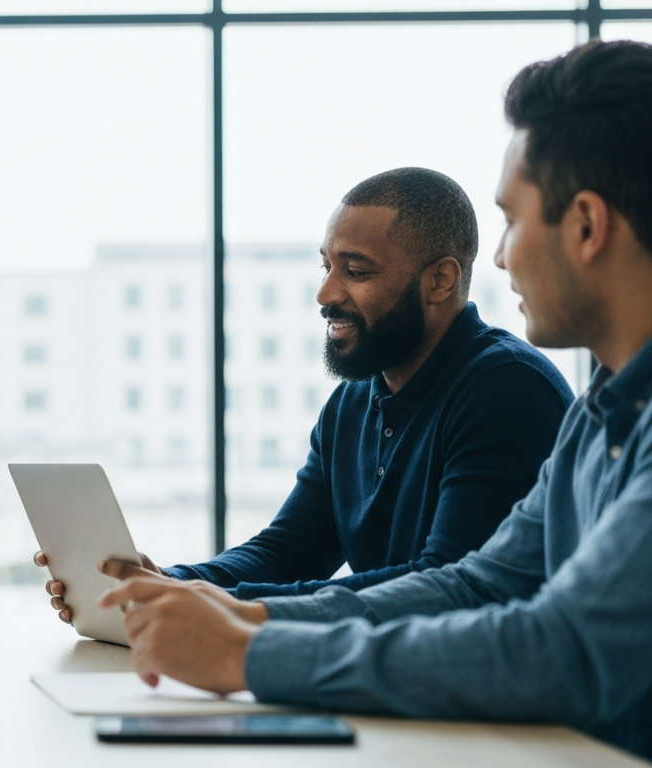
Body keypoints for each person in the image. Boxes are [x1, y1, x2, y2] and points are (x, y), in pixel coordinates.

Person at [95, 39, 652, 759]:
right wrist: (237, 613)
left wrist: (248, 651)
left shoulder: (515, 386)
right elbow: (476, 585)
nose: (501, 255)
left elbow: (559, 648)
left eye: (513, 222)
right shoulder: (599, 411)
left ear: (586, 226)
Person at [39, 168, 573, 620]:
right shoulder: (352, 402)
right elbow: (289, 550)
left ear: (440, 281)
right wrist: (166, 583)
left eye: (356, 271)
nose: (326, 293)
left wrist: (223, 606)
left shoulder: (507, 391)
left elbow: (448, 587)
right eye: (327, 266)